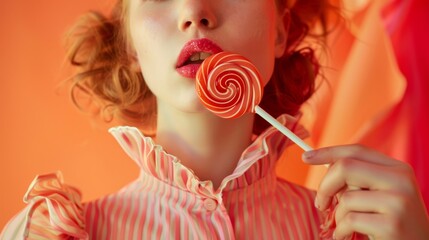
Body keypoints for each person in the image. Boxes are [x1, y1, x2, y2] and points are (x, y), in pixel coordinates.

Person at [2, 0, 429, 239]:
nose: (194, 11)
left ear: (280, 31)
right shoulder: (58, 235)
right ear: (131, 46)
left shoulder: (351, 231)